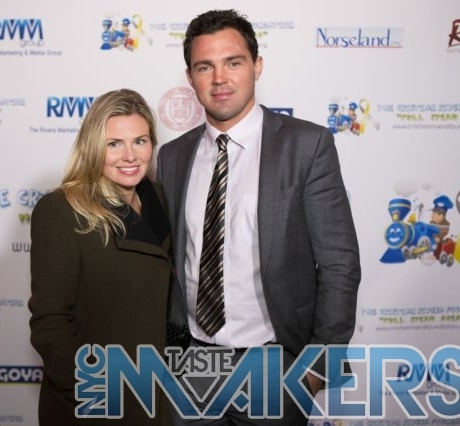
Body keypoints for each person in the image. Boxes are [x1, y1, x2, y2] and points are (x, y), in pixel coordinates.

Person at [156, 9, 361, 424]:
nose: (220, 78)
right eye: (205, 67)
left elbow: (340, 264)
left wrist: (314, 372)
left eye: (233, 62)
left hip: (275, 366)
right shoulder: (172, 156)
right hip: (192, 364)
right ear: (190, 77)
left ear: (257, 66)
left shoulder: (307, 146)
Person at [29, 88, 173, 425]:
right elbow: (50, 323)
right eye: (114, 144)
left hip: (159, 394)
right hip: (99, 402)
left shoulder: (161, 198)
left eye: (140, 141)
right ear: (93, 147)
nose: (130, 156)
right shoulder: (62, 210)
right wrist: (95, 392)